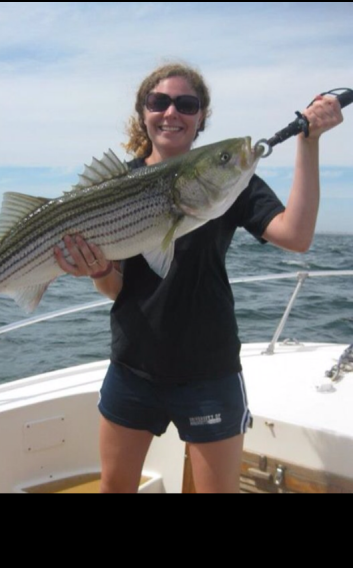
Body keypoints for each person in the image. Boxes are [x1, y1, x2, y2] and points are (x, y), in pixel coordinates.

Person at [54, 62, 343, 493]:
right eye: (160, 102)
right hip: (133, 366)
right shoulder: (115, 186)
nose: (172, 112)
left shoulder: (229, 182)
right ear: (144, 112)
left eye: (186, 104)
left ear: (201, 117)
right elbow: (115, 290)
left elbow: (297, 236)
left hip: (210, 371)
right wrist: (98, 269)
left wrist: (309, 143)